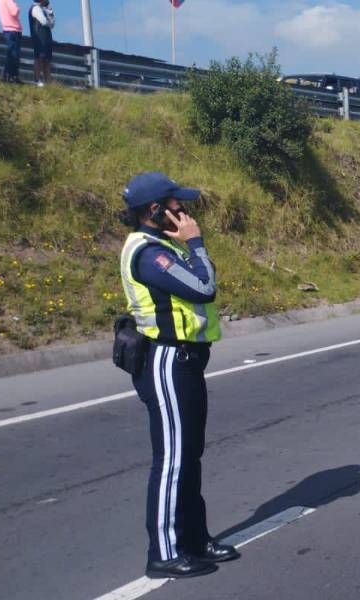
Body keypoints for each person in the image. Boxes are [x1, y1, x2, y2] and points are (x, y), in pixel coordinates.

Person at [118, 172, 239, 579]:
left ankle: (195, 539)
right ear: (155, 210)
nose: (183, 210)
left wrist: (189, 246)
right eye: (176, 204)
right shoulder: (149, 253)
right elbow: (204, 287)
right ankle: (165, 553)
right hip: (167, 360)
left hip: (187, 361)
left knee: (189, 455)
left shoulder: (164, 246)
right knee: (172, 459)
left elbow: (201, 282)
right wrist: (196, 242)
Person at [27, 0, 52, 86]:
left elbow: (52, 23)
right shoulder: (35, 8)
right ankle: (37, 80)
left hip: (46, 37)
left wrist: (50, 12)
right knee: (39, 59)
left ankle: (48, 83)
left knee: (47, 60)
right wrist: (50, 21)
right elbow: (44, 22)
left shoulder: (43, 9)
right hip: (39, 37)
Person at [0, 0, 22, 83]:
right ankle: (12, 76)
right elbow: (15, 11)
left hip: (7, 30)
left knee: (10, 54)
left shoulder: (0, 1)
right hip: (13, 30)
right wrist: (16, 4)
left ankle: (6, 75)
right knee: (14, 54)